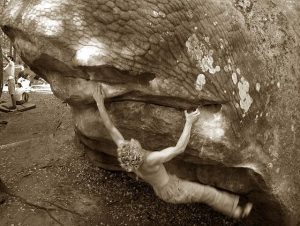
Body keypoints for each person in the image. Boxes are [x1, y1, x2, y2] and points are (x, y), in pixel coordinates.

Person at [93, 84, 253, 219]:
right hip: (173, 190)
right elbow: (179, 148)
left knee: (198, 189)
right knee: (207, 193)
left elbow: (110, 127)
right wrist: (189, 122)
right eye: (133, 142)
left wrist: (99, 103)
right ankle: (237, 211)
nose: (132, 139)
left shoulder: (126, 152)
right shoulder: (151, 159)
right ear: (139, 152)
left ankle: (234, 203)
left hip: (162, 187)